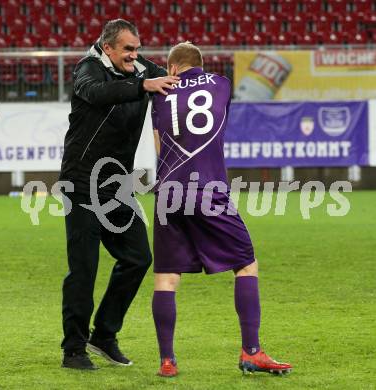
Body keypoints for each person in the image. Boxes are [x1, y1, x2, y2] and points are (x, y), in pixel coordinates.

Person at [151, 42, 292, 377]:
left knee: (166, 278)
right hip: (208, 188)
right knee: (246, 264)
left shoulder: (158, 95)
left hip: (168, 190)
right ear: (200, 64)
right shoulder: (222, 84)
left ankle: (167, 361)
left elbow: (158, 146)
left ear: (171, 69)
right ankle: (251, 352)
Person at [59, 19, 179, 370]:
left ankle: (104, 335)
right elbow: (97, 93)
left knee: (138, 257)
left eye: (137, 49)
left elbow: (177, 79)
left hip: (116, 186)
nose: (134, 55)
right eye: (127, 49)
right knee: (84, 269)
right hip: (80, 183)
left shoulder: (141, 69)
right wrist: (143, 85)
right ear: (107, 47)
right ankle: (73, 349)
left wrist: (206, 84)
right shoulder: (88, 68)